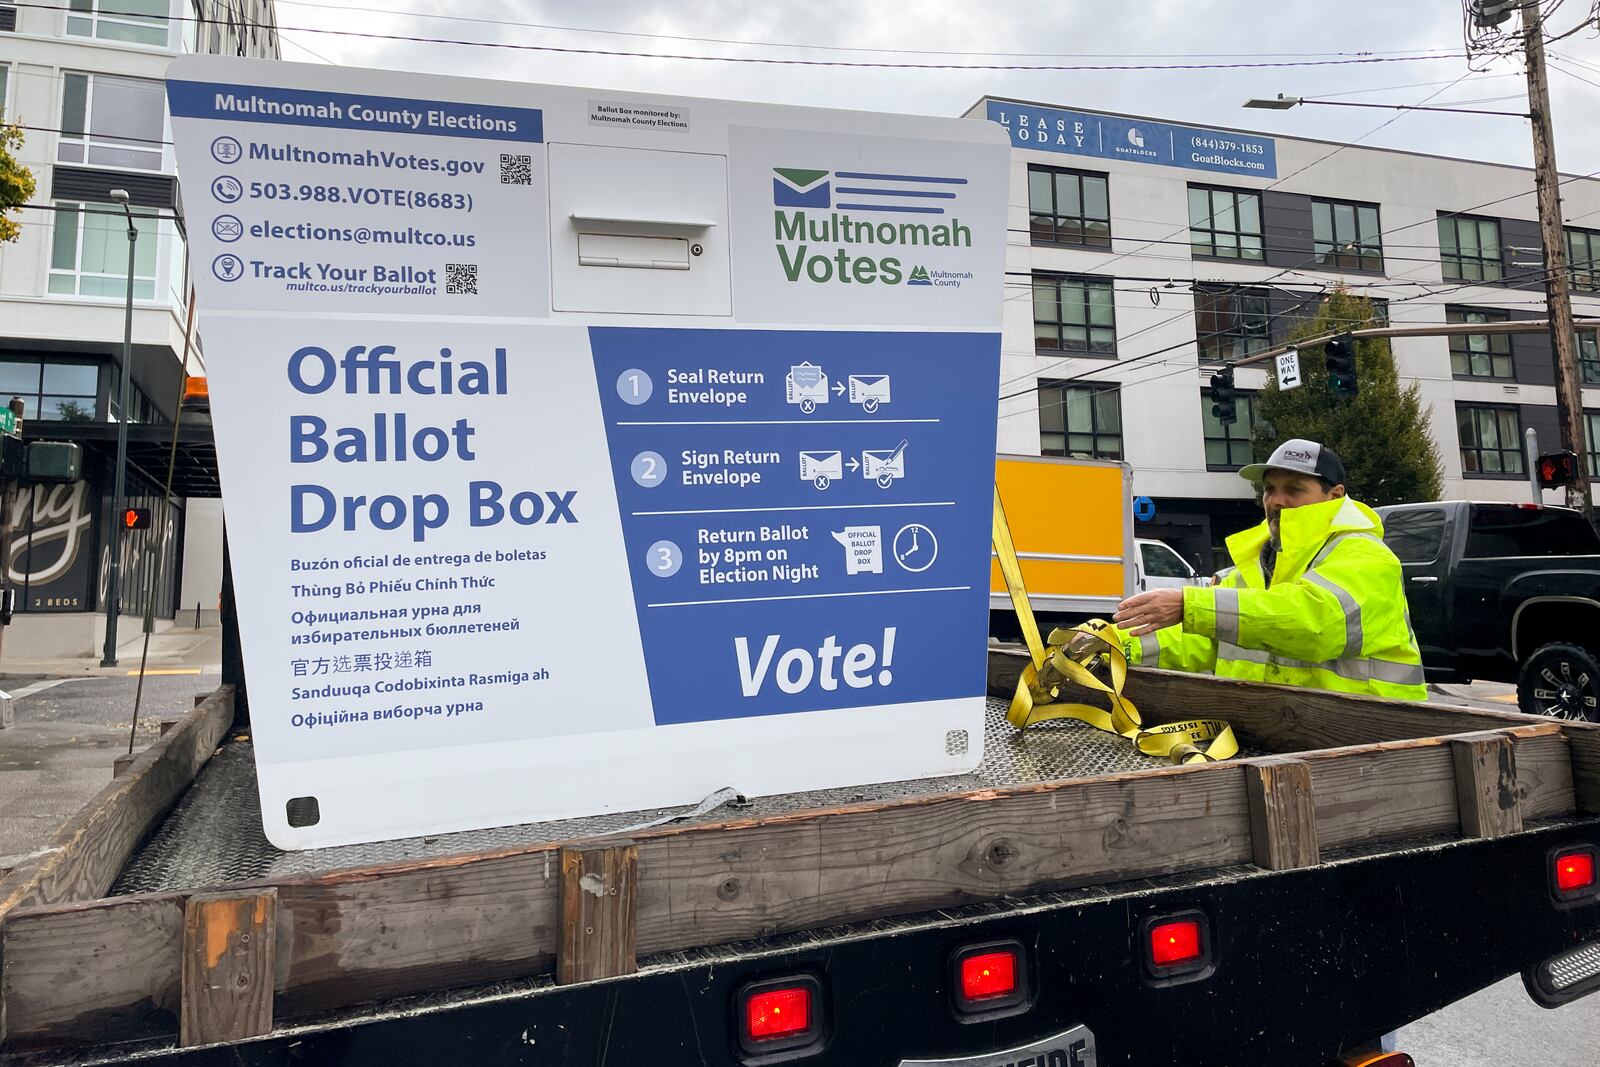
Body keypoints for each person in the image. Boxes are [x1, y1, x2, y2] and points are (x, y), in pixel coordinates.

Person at [1112, 438, 1426, 701]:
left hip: (1372, 741)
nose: (1275, 500)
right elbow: (1199, 640)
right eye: (1269, 488)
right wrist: (1111, 643)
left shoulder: (1366, 555)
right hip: (1285, 735)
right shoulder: (1255, 567)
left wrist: (1189, 605)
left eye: (1294, 489)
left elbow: (1314, 624)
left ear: (1336, 496)